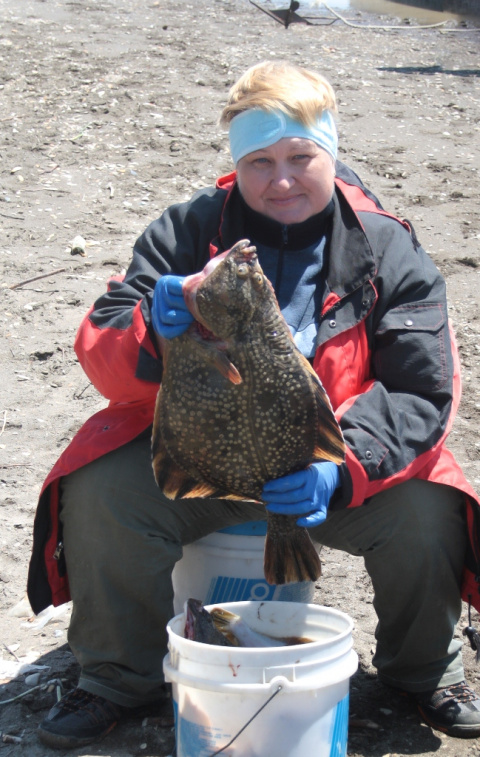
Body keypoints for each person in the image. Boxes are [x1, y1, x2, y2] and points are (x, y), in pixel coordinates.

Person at [28, 60, 480, 749]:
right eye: (259, 161)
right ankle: (118, 677)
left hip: (327, 468)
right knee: (100, 492)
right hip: (204, 452)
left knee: (431, 509)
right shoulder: (186, 231)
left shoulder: (388, 246)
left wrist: (342, 467)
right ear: (235, 165)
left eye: (302, 156)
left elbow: (423, 391)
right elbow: (103, 345)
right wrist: (150, 323)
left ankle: (423, 673)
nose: (282, 180)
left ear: (332, 151)